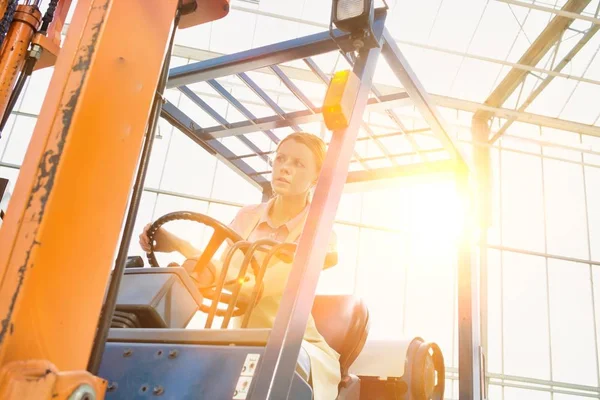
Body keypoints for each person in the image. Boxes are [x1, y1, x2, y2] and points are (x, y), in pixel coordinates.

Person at [139, 132, 341, 399]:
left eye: (298, 163)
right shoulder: (248, 216)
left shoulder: (320, 231)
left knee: (273, 366)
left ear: (316, 177)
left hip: (290, 343)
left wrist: (185, 247)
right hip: (239, 335)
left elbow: (256, 288)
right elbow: (225, 270)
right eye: (281, 158)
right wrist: (180, 249)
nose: (285, 167)